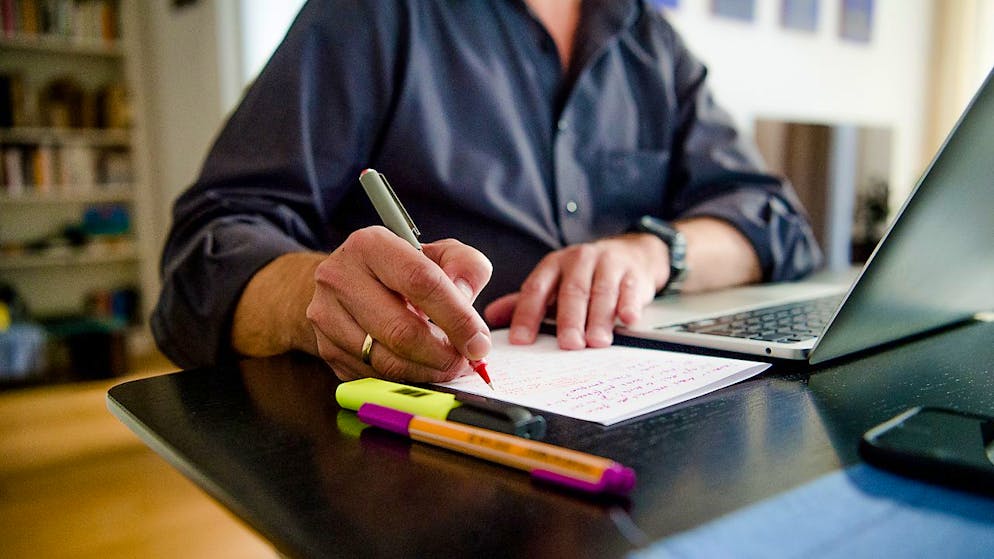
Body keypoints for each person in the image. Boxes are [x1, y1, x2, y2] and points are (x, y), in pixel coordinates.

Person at [152, 0, 821, 383]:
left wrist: (652, 253)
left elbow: (773, 221)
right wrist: (312, 294)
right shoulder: (372, 14)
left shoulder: (653, 42)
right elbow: (205, 250)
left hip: (642, 430)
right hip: (420, 460)